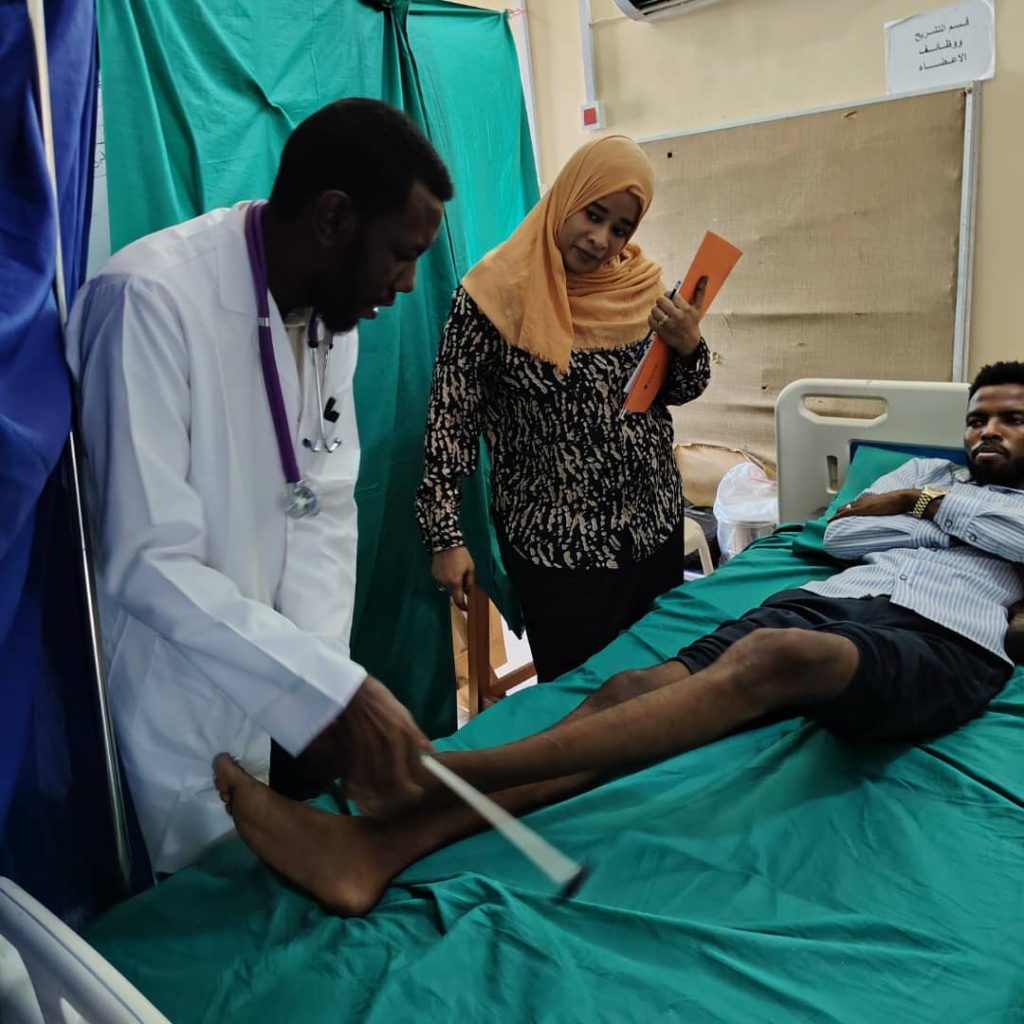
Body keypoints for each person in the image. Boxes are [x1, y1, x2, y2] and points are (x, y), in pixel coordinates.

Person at [215, 362, 1024, 915]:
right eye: (978, 418)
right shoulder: (921, 475)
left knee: (774, 660)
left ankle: (443, 773)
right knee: (629, 690)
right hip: (830, 600)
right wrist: (924, 506)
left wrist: (924, 512)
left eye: (1012, 419)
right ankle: (375, 850)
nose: (988, 431)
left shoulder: (925, 495)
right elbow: (841, 534)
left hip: (943, 638)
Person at [66, 98, 453, 874]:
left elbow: (324, 505)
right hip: (167, 688)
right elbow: (145, 560)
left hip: (271, 684)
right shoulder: (149, 301)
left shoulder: (329, 318)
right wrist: (313, 689)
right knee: (185, 905)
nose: (410, 283)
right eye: (400, 253)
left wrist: (324, 685)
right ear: (333, 217)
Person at [414, 135, 711, 682]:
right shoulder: (491, 296)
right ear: (565, 198)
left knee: (661, 686)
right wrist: (445, 536)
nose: (601, 240)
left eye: (620, 228)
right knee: (581, 702)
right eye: (592, 215)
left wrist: (690, 345)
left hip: (653, 528)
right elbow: (449, 421)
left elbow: (676, 390)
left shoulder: (640, 286)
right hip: (559, 548)